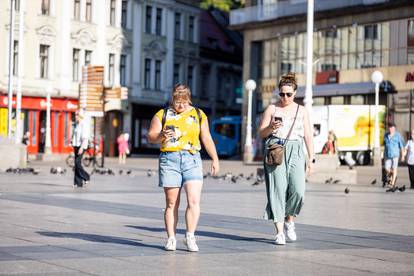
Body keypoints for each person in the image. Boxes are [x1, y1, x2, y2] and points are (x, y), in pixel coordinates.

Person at [147, 84, 220, 252]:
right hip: (169, 159)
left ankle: (190, 236)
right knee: (172, 202)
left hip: (192, 158)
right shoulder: (162, 114)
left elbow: (207, 138)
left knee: (194, 200)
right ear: (172, 99)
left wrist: (215, 159)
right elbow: (151, 137)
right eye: (177, 102)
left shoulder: (198, 114)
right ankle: (171, 238)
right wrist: (161, 135)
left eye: (184, 102)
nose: (181, 106)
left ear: (189, 99)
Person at [258, 73, 314, 245]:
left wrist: (311, 159)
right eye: (282, 94)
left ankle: (290, 219)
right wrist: (270, 127)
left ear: (295, 93)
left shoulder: (302, 110)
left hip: (296, 150)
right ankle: (279, 232)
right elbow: (261, 133)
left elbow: (308, 136)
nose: (285, 97)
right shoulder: (272, 109)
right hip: (276, 150)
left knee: (298, 191)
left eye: (288, 94)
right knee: (277, 190)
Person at [71, 110, 90, 188]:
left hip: (81, 146)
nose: (75, 116)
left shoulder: (83, 124)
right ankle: (78, 182)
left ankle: (86, 176)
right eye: (75, 115)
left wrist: (81, 148)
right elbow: (75, 135)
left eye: (77, 115)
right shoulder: (77, 124)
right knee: (76, 164)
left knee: (77, 162)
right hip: (76, 145)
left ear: (80, 116)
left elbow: (85, 137)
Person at [383, 123, 404, 190]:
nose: (390, 129)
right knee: (386, 168)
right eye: (389, 127)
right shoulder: (386, 135)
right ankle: (393, 173)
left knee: (394, 168)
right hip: (387, 155)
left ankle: (392, 183)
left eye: (392, 128)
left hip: (395, 155)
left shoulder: (398, 135)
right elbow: (385, 146)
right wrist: (384, 155)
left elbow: (401, 146)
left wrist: (402, 155)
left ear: (394, 128)